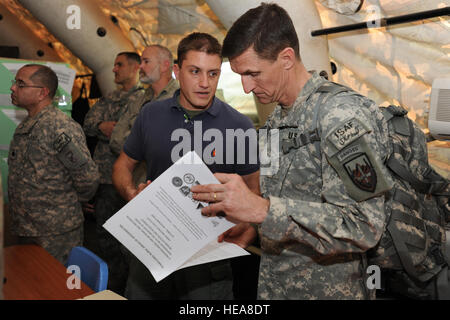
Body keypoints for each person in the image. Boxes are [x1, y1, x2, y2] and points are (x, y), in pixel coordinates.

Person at [191, 3, 393, 300]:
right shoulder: (277, 119)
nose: (246, 87)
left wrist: (261, 209)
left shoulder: (340, 116)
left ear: (286, 58)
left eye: (253, 73)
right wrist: (250, 225)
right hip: (277, 286)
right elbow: (285, 202)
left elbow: (364, 225)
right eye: (240, 76)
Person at [112, 32, 260, 300]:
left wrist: (246, 229)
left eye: (213, 74)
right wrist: (133, 195)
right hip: (154, 245)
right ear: (178, 71)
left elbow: (254, 194)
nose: (205, 83)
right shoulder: (150, 114)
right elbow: (122, 165)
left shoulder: (239, 125)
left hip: (208, 255)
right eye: (195, 71)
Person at [8, 64, 99, 264]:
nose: (13, 88)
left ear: (42, 93)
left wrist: (67, 205)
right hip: (28, 227)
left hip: (55, 232)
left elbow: (88, 178)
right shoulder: (28, 125)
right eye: (15, 82)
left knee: (54, 289)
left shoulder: (59, 128)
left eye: (21, 84)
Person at [83, 52, 143, 294]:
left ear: (136, 67)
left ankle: (129, 287)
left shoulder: (143, 98)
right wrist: (100, 126)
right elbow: (88, 122)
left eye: (120, 65)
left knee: (131, 239)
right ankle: (110, 287)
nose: (114, 70)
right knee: (105, 235)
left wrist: (113, 128)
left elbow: (133, 134)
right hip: (106, 179)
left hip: (133, 180)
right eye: (114, 64)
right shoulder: (110, 97)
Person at [109, 45, 179, 185]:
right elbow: (115, 139)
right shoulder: (139, 99)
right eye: (141, 61)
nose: (140, 66)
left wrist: (135, 148)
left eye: (146, 61)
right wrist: (139, 149)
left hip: (169, 184)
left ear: (165, 66)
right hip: (138, 184)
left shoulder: (181, 98)